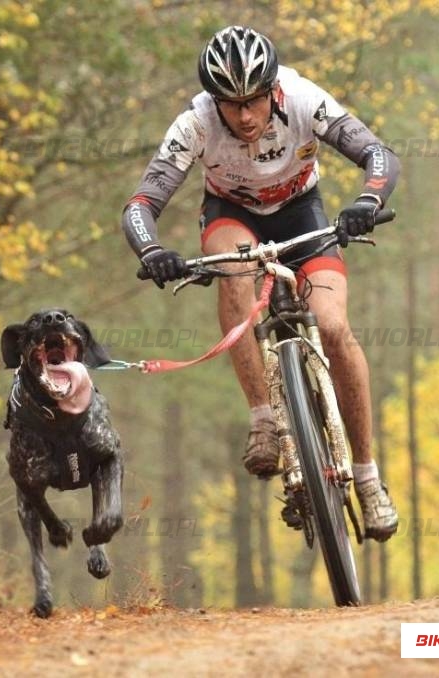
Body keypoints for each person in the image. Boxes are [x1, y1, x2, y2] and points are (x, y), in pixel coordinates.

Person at [121, 25, 399, 541]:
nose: (244, 116)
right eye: (231, 104)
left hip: (303, 217)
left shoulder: (304, 99)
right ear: (214, 100)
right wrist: (152, 250)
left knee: (336, 329)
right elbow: (141, 205)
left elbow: (378, 155)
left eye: (253, 101)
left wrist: (367, 202)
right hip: (234, 217)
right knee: (232, 268)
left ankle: (367, 476)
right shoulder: (195, 124)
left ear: (273, 89)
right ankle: (264, 419)